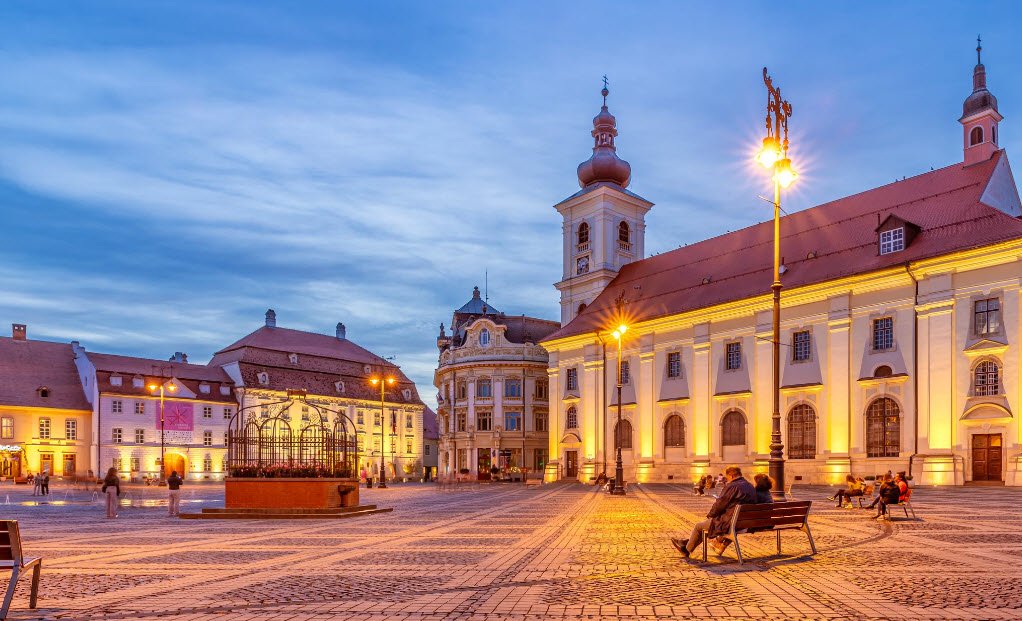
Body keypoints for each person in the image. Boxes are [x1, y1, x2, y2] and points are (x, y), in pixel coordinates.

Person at [671, 466, 757, 558]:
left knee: (699, 526)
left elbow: (720, 503)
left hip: (729, 522)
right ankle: (686, 543)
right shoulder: (750, 486)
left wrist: (711, 514)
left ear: (731, 475)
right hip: (744, 522)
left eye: (727, 477)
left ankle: (686, 550)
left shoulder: (732, 486)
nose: (727, 480)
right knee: (704, 525)